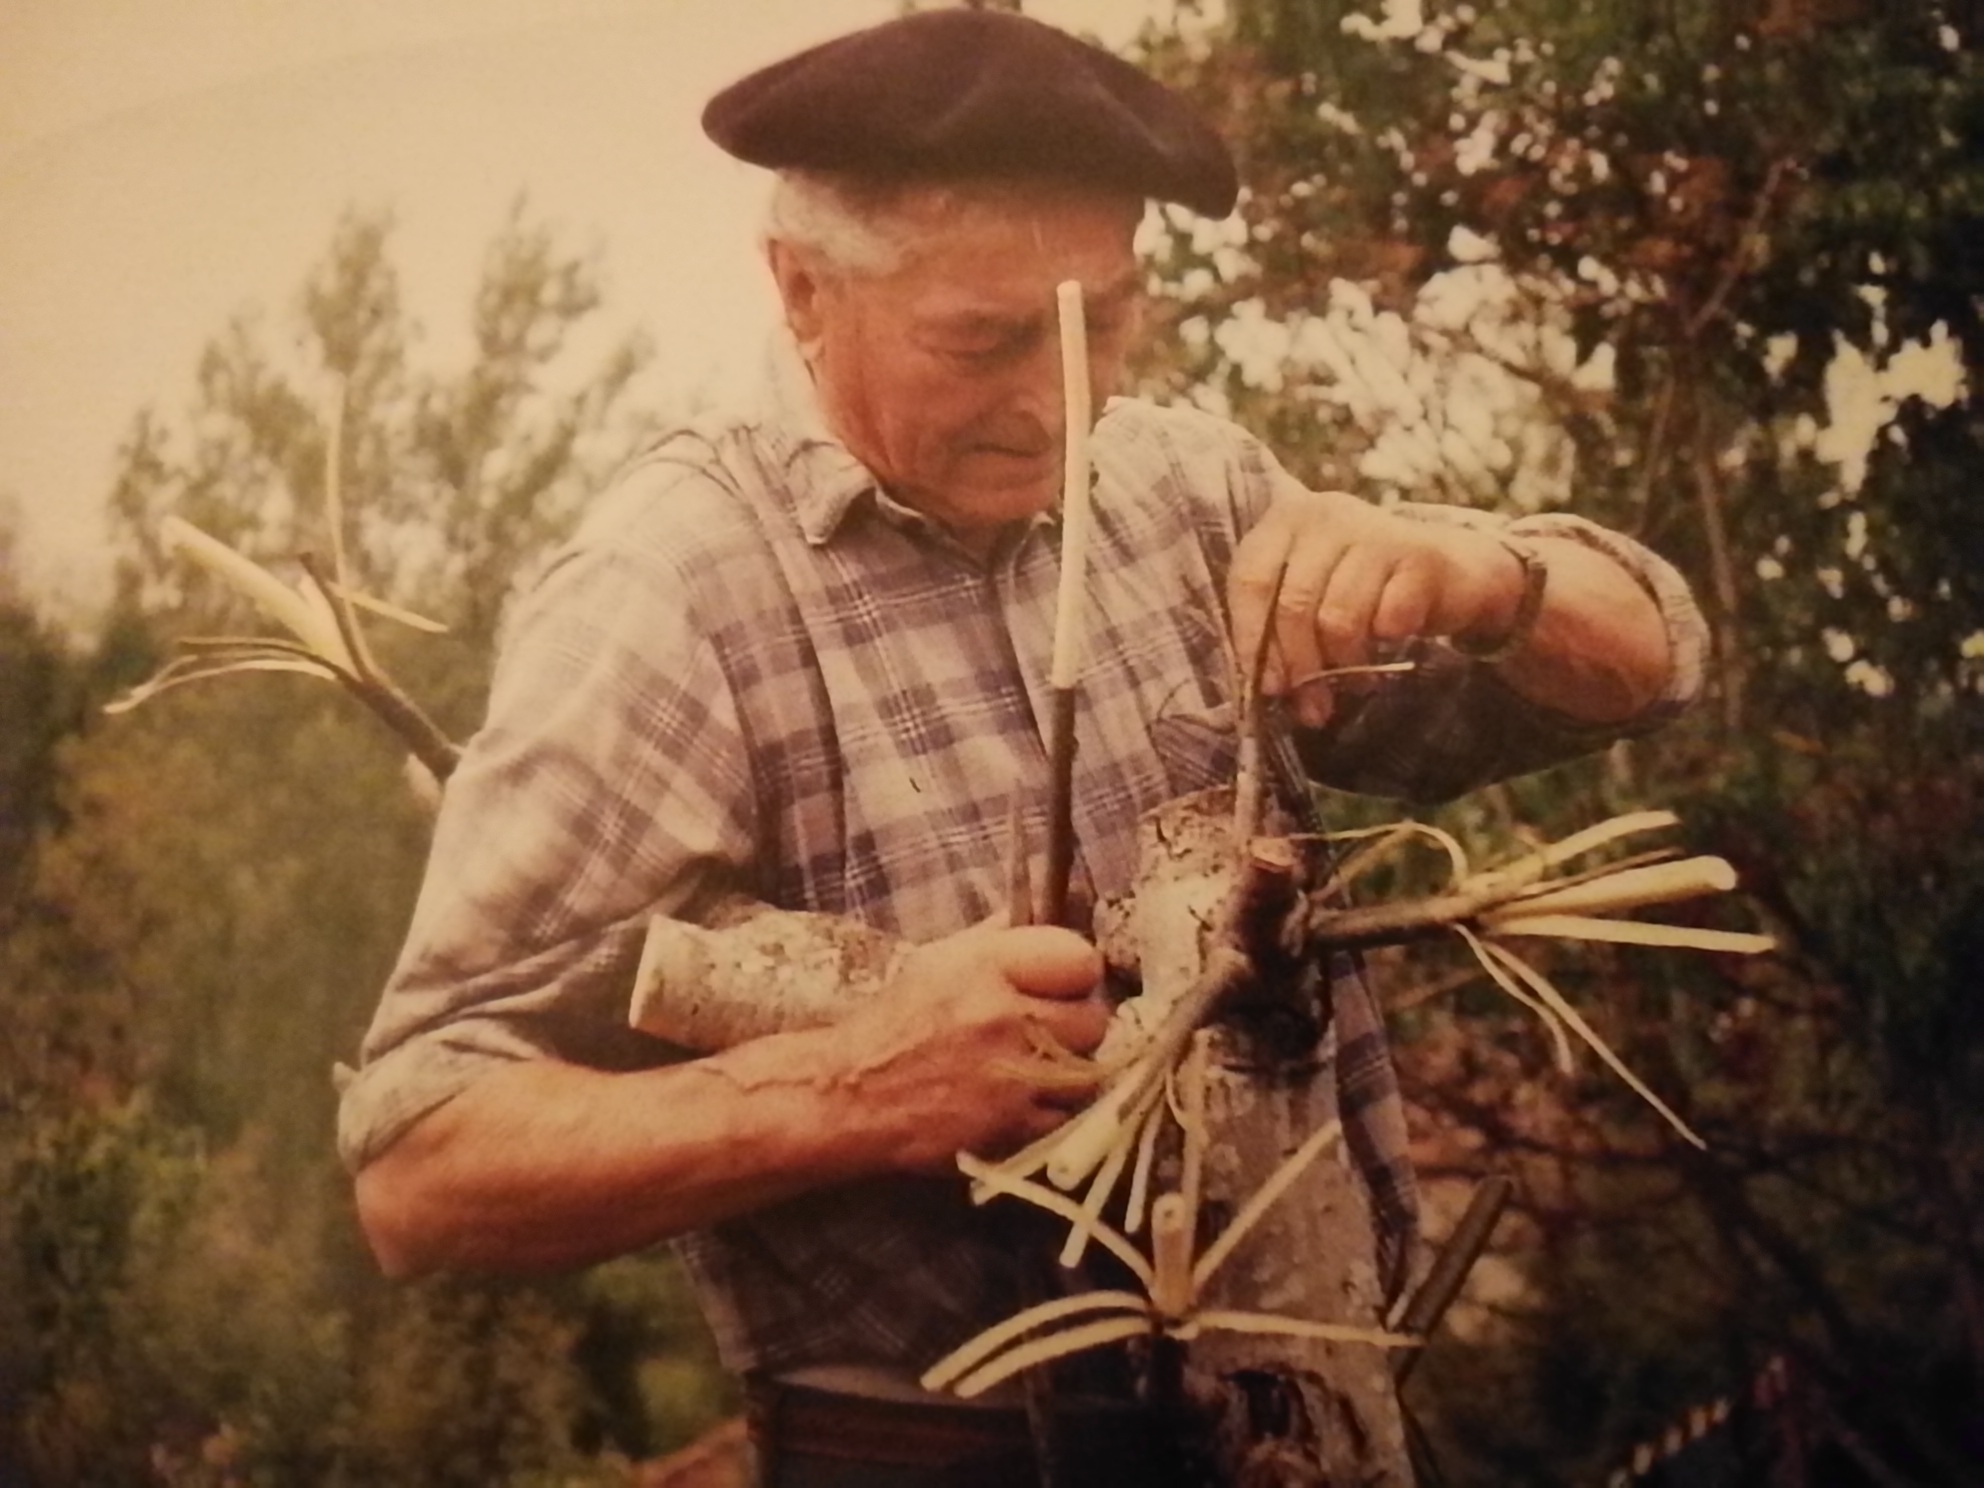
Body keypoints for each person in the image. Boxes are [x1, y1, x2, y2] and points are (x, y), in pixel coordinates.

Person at [338, 9, 1705, 1485]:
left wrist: (1483, 574)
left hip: (1312, 1435)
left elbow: (1645, 671)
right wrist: (859, 1088)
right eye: (982, 339)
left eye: (1100, 322)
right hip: (941, 1457)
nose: (1061, 400)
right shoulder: (665, 598)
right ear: (800, 291)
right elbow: (425, 1168)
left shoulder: (1187, 493)